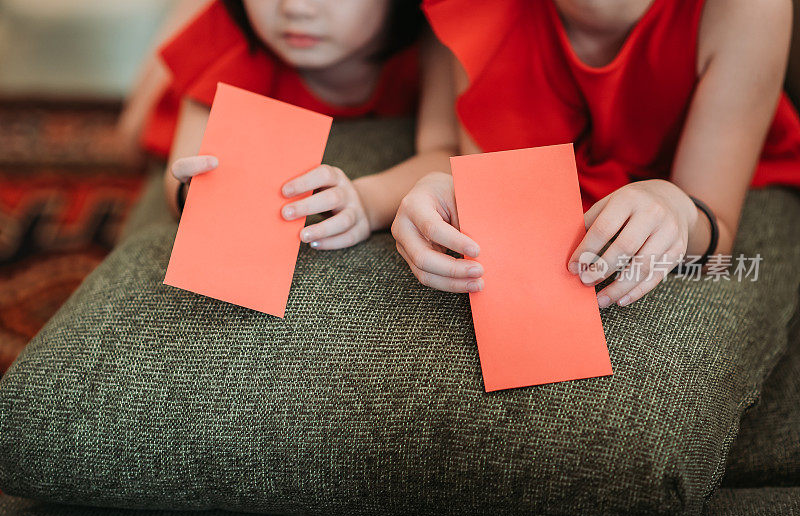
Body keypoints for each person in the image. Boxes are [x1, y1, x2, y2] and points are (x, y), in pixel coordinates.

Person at [392, 0, 800, 307]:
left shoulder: (746, 11)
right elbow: (496, 190)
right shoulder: (484, 11)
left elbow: (714, 235)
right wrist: (452, 192)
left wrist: (678, 208)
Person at [159, 0, 458, 250]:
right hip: (170, 113)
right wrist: (197, 194)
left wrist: (366, 201)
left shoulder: (438, 36)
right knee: (137, 129)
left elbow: (446, 152)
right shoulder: (228, 33)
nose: (296, 8)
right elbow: (183, 169)